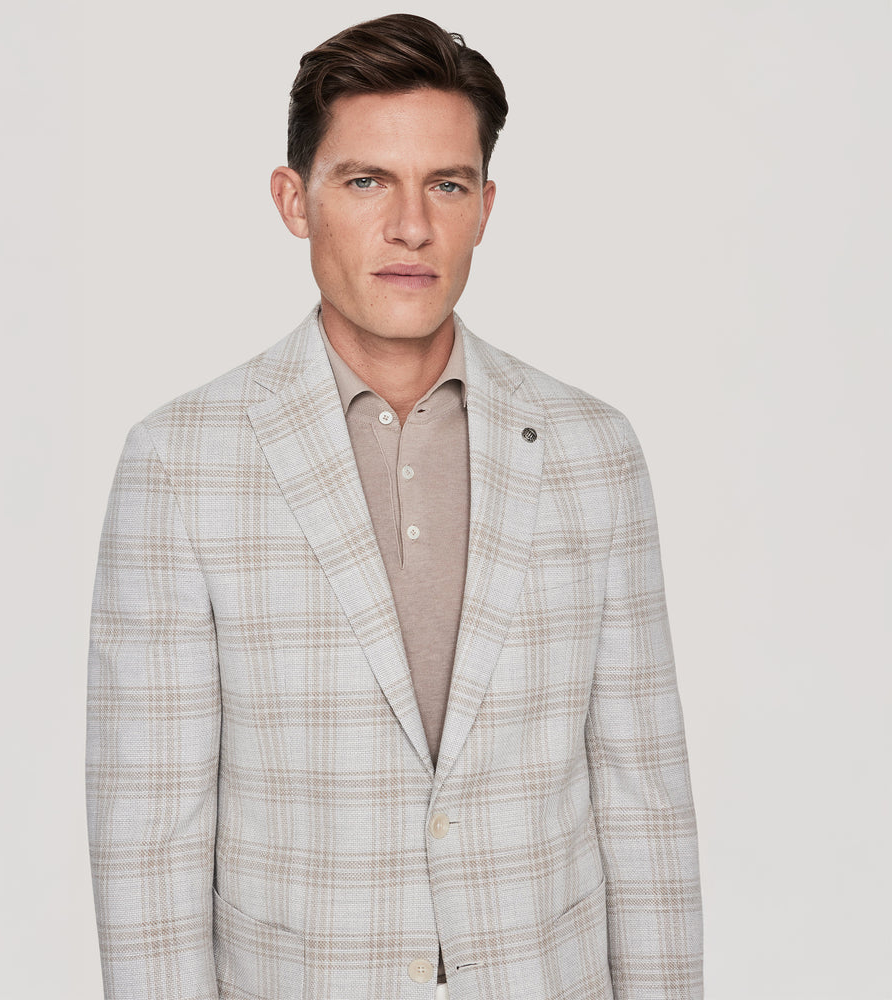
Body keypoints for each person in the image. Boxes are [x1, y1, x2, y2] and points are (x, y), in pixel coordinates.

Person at [85, 13, 703, 999]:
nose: (411, 225)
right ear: (294, 200)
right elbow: (149, 845)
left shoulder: (594, 451)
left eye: (446, 184)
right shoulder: (181, 464)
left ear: (485, 206)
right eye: (366, 180)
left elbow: (646, 806)